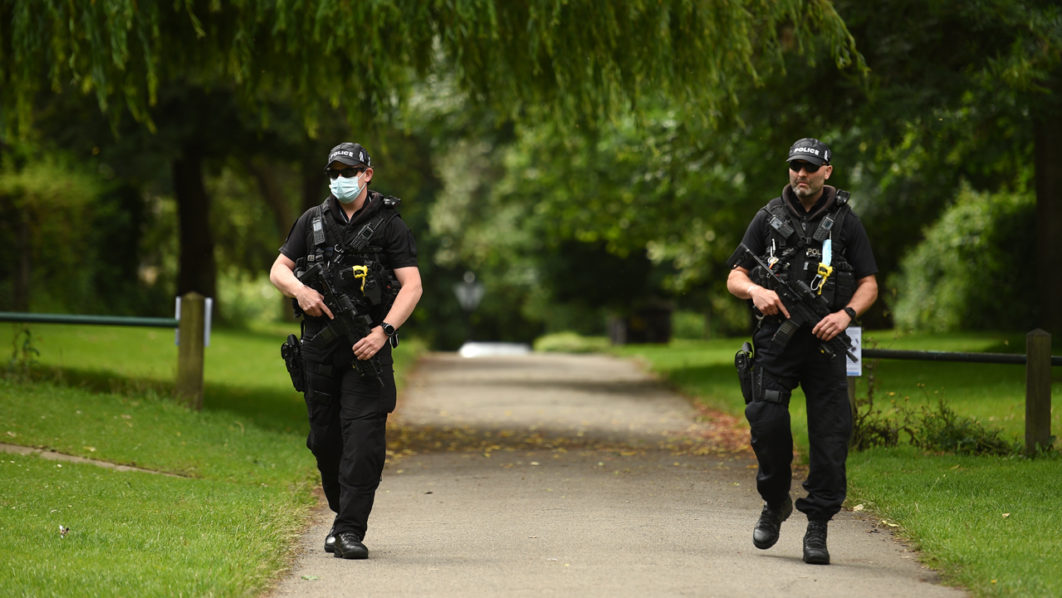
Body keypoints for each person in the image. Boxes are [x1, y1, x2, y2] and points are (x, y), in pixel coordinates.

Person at [725, 138, 878, 565]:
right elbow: (734, 275)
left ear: (827, 171)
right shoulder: (767, 219)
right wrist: (755, 291)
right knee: (767, 424)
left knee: (830, 438)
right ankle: (775, 503)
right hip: (777, 341)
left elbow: (869, 283)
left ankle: (817, 526)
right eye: (795, 166)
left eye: (809, 167)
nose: (801, 174)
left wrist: (846, 314)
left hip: (828, 345)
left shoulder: (847, 222)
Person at [270, 141, 422, 560]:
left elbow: (412, 286)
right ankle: (344, 513)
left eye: (349, 171)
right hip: (319, 351)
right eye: (334, 172)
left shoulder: (391, 225)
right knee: (326, 442)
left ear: (367, 174)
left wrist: (384, 330)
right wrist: (300, 291)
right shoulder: (312, 221)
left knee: (363, 442)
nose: (341, 179)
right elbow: (278, 269)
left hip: (367, 351)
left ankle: (349, 528)